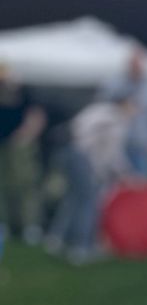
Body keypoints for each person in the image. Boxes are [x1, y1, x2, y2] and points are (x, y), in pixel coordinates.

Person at [44, 92, 139, 264]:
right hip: (82, 157)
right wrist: (125, 174)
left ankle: (55, 240)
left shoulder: (101, 110)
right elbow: (111, 153)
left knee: (73, 198)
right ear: (124, 104)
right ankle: (80, 248)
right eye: (133, 105)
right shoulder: (116, 119)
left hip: (69, 152)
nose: (135, 110)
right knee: (88, 202)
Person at [98, 48, 147, 179]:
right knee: (116, 183)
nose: (137, 68)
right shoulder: (115, 83)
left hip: (142, 145)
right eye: (134, 64)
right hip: (117, 144)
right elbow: (103, 106)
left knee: (140, 184)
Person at [0, 63, 47, 243]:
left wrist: (26, 135)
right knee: (3, 186)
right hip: (2, 143)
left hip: (20, 144)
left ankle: (30, 226)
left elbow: (37, 114)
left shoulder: (22, 91)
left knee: (24, 184)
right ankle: (6, 224)